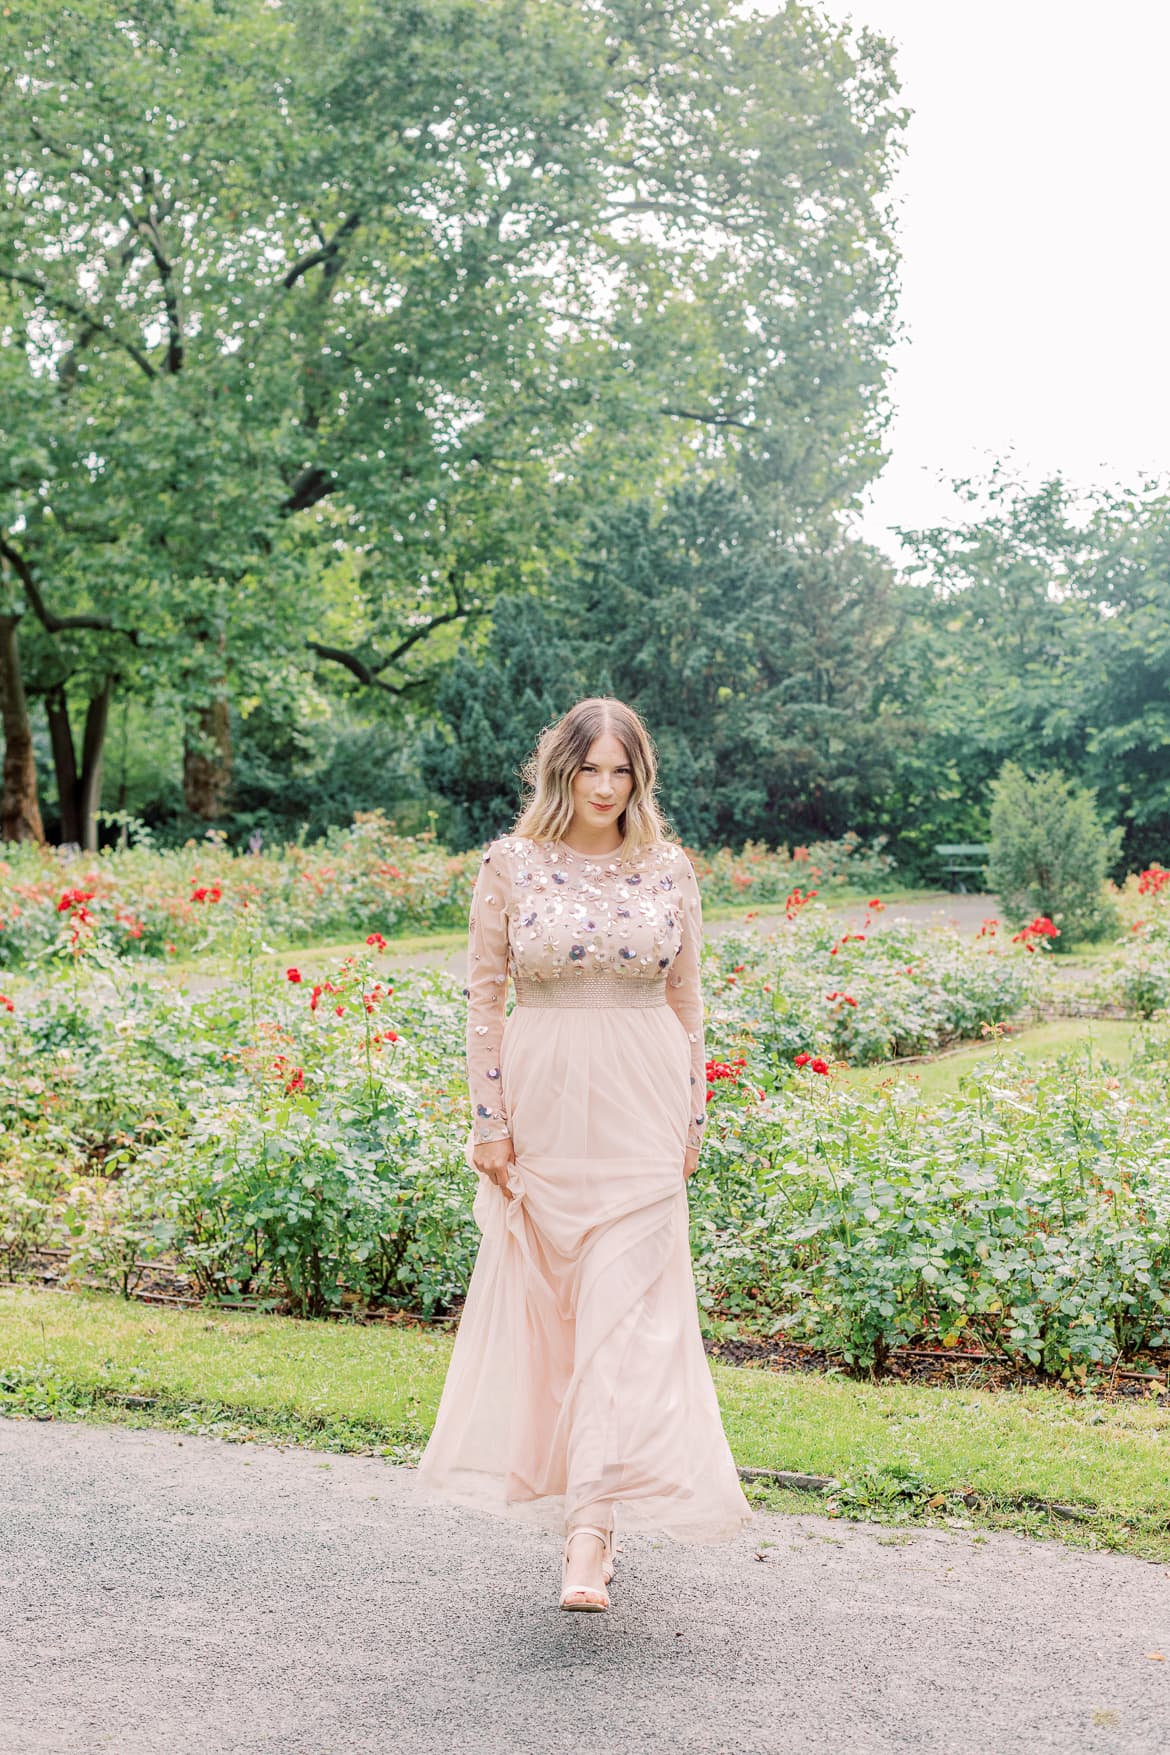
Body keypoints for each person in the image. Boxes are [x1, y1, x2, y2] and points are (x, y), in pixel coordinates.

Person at [416, 697, 752, 1610]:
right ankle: (578, 1505)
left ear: (641, 779)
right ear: (558, 771)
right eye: (589, 770)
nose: (605, 788)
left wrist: (692, 1121)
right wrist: (489, 1121)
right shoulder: (510, 864)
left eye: (621, 772)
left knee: (623, 1309)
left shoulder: (669, 868)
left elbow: (689, 1004)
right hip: (547, 1098)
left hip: (643, 1098)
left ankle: (590, 1533)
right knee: (561, 1308)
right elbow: (485, 998)